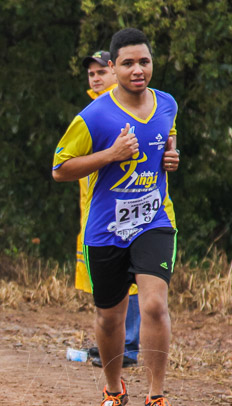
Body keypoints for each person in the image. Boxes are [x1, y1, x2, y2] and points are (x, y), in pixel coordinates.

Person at [52, 27, 181, 406]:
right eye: (127, 63)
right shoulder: (94, 116)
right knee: (109, 320)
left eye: (144, 61)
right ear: (113, 67)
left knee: (155, 306)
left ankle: (157, 398)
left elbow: (167, 139)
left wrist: (172, 157)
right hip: (106, 229)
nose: (137, 69)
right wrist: (111, 154)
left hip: (154, 220)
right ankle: (113, 391)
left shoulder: (167, 103)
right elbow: (60, 168)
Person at [76, 51, 140, 369]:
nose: (96, 78)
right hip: (95, 210)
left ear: (116, 72)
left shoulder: (126, 112)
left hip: (127, 210)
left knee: (132, 278)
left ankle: (128, 345)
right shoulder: (91, 113)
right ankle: (113, 343)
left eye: (102, 71)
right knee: (106, 282)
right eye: (91, 74)